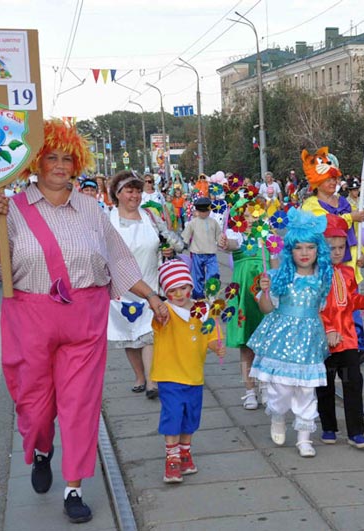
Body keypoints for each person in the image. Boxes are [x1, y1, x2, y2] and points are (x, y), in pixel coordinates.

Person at [0, 119, 169, 524]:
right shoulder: (12, 208)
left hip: (85, 319)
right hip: (30, 318)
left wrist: (153, 297)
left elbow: (119, 261)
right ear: (34, 162)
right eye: (51, 157)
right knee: (36, 409)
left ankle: (74, 485)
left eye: (67, 158)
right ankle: (41, 449)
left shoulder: (92, 209)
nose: (59, 165)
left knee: (80, 405)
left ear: (77, 163)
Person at [247, 209, 333, 458]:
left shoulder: (323, 278)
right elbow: (266, 309)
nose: (305, 253)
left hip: (308, 339)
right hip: (282, 338)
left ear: (318, 251)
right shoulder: (278, 277)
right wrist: (264, 291)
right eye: (299, 248)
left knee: (306, 389)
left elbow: (326, 310)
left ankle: (304, 437)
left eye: (310, 247)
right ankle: (277, 416)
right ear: (290, 251)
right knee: (281, 388)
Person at [106, 171, 184, 399]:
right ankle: (139, 376)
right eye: (130, 191)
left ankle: (152, 381)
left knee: (150, 333)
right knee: (129, 334)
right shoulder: (107, 221)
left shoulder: (150, 215)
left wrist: (170, 249)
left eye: (138, 191)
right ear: (117, 194)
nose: (135, 196)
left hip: (151, 283)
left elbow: (171, 240)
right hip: (122, 289)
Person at [152, 259, 225, 483]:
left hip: (194, 375)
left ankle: (185, 452)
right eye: (173, 290)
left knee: (190, 418)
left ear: (191, 286)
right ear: (166, 292)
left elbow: (212, 338)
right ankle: (172, 458)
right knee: (173, 415)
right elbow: (158, 321)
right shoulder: (167, 312)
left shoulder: (203, 310)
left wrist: (217, 346)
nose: (180, 294)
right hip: (170, 375)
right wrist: (158, 309)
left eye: (183, 288)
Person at [301, 148, 364, 363]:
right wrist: (352, 216)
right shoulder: (310, 205)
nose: (334, 182)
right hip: (325, 264)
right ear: (316, 182)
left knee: (351, 303)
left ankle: (356, 346)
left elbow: (355, 233)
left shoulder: (343, 202)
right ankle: (329, 344)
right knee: (329, 305)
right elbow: (326, 224)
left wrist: (362, 252)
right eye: (329, 178)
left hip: (348, 262)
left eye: (336, 177)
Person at [318, 215, 364, 448]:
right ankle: (328, 427)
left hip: (348, 338)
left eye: (341, 247)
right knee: (325, 384)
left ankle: (356, 431)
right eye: (331, 247)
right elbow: (314, 306)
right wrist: (328, 330)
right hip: (324, 339)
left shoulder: (347, 272)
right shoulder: (314, 275)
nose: (336, 252)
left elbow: (351, 300)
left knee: (353, 382)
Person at [223, 196, 278, 410]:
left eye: (255, 215)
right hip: (243, 294)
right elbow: (229, 245)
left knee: (264, 344)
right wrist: (224, 242)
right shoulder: (236, 236)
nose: (251, 220)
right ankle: (249, 390)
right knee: (246, 345)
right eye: (246, 216)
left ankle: (264, 385)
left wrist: (273, 287)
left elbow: (275, 266)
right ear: (239, 219)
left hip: (263, 294)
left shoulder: (267, 237)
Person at [181, 196, 225, 300]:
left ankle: (211, 293)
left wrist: (221, 241)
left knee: (214, 273)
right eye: (201, 211)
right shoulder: (193, 223)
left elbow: (218, 234)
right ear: (197, 211)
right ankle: (198, 296)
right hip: (197, 253)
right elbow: (186, 235)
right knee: (197, 276)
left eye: (206, 211)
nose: (204, 213)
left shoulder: (213, 222)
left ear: (209, 211)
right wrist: (182, 244)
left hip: (211, 253)